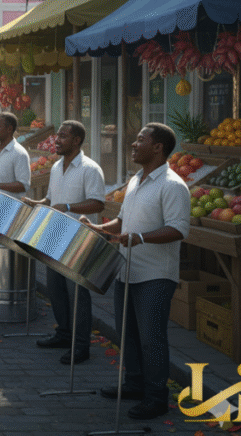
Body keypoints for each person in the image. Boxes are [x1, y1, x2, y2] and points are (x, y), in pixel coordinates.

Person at [82, 123, 189, 421]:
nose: (133, 143)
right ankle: (133, 385)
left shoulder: (173, 184)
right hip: (127, 271)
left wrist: (140, 238)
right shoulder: (134, 181)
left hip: (155, 275)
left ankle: (156, 398)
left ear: (158, 148)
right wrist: (98, 229)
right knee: (127, 334)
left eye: (141, 139)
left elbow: (179, 228)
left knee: (151, 339)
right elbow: (124, 222)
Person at [23, 121, 104, 365]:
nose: (57, 140)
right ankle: (63, 334)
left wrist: (68, 207)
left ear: (77, 140)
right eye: (57, 135)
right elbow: (52, 198)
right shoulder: (57, 167)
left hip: (78, 238)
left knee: (77, 294)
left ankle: (81, 346)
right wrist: (38, 204)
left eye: (63, 136)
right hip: (54, 234)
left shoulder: (90, 169)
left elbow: (98, 203)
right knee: (56, 290)